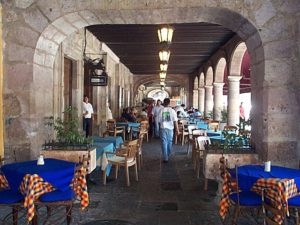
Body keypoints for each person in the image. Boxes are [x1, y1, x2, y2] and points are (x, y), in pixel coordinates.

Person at [158, 98, 178, 163]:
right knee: (169, 141)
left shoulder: (161, 110)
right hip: (170, 129)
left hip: (163, 128)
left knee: (164, 142)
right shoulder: (172, 111)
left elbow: (159, 120)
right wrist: (177, 129)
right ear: (169, 103)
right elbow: (175, 121)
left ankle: (165, 157)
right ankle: (168, 154)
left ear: (163, 103)